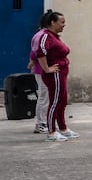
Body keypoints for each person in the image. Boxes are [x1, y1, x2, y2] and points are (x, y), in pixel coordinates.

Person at [35, 11, 77, 142]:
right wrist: (47, 69)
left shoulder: (55, 36)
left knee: (62, 101)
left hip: (61, 74)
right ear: (52, 23)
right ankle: (52, 132)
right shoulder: (45, 36)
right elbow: (40, 52)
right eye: (62, 22)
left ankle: (63, 128)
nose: (64, 25)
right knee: (54, 102)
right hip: (55, 75)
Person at [28, 10, 53, 134]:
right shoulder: (42, 35)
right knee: (44, 97)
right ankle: (40, 124)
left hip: (41, 69)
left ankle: (44, 122)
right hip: (42, 70)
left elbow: (33, 53)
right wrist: (33, 61)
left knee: (45, 96)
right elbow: (36, 52)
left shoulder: (41, 34)